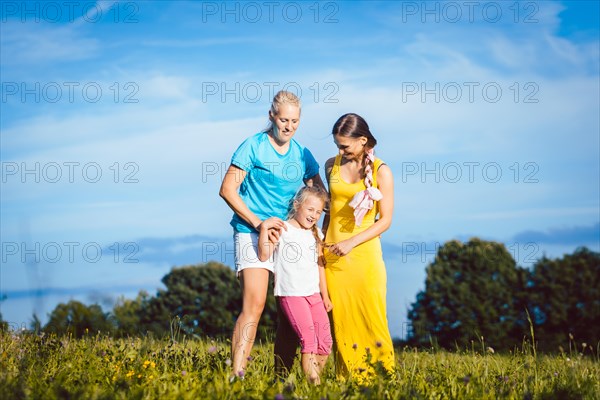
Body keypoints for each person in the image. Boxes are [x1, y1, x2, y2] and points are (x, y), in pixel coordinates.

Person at [219, 90, 324, 378]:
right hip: (251, 231)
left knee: (292, 307)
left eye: (294, 121)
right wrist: (259, 224)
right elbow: (227, 190)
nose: (288, 126)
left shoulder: (303, 154)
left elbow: (319, 194)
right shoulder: (252, 146)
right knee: (255, 303)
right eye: (283, 120)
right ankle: (236, 376)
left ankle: (281, 378)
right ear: (271, 117)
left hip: (289, 236)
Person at [323, 113, 395, 379]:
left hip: (364, 256)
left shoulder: (381, 171)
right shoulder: (331, 164)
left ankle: (383, 380)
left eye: (345, 146)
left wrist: (351, 242)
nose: (340, 151)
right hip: (332, 256)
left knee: (372, 318)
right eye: (338, 145)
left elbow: (385, 220)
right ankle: (347, 382)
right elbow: (329, 211)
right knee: (341, 323)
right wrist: (320, 241)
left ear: (363, 140)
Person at [258, 186, 333, 384]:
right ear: (296, 205)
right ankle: (314, 386)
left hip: (314, 295)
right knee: (308, 341)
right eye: (310, 210)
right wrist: (264, 228)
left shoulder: (316, 233)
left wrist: (325, 296)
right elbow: (264, 255)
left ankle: (311, 380)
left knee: (325, 343)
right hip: (291, 294)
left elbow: (320, 265)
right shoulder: (283, 228)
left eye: (318, 212)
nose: (314, 215)